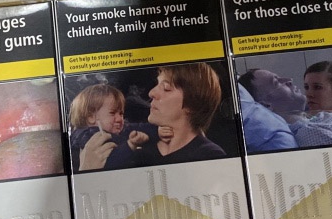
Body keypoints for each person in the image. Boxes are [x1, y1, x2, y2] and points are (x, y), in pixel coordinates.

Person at [81, 64, 227, 170]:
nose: (151, 93)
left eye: (166, 88)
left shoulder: (210, 156)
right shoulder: (139, 148)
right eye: (157, 84)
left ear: (193, 104)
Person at [69, 83, 151, 167]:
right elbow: (108, 161)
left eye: (121, 114)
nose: (119, 119)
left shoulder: (114, 130)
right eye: (112, 113)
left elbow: (134, 127)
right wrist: (130, 146)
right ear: (91, 117)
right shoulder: (89, 137)